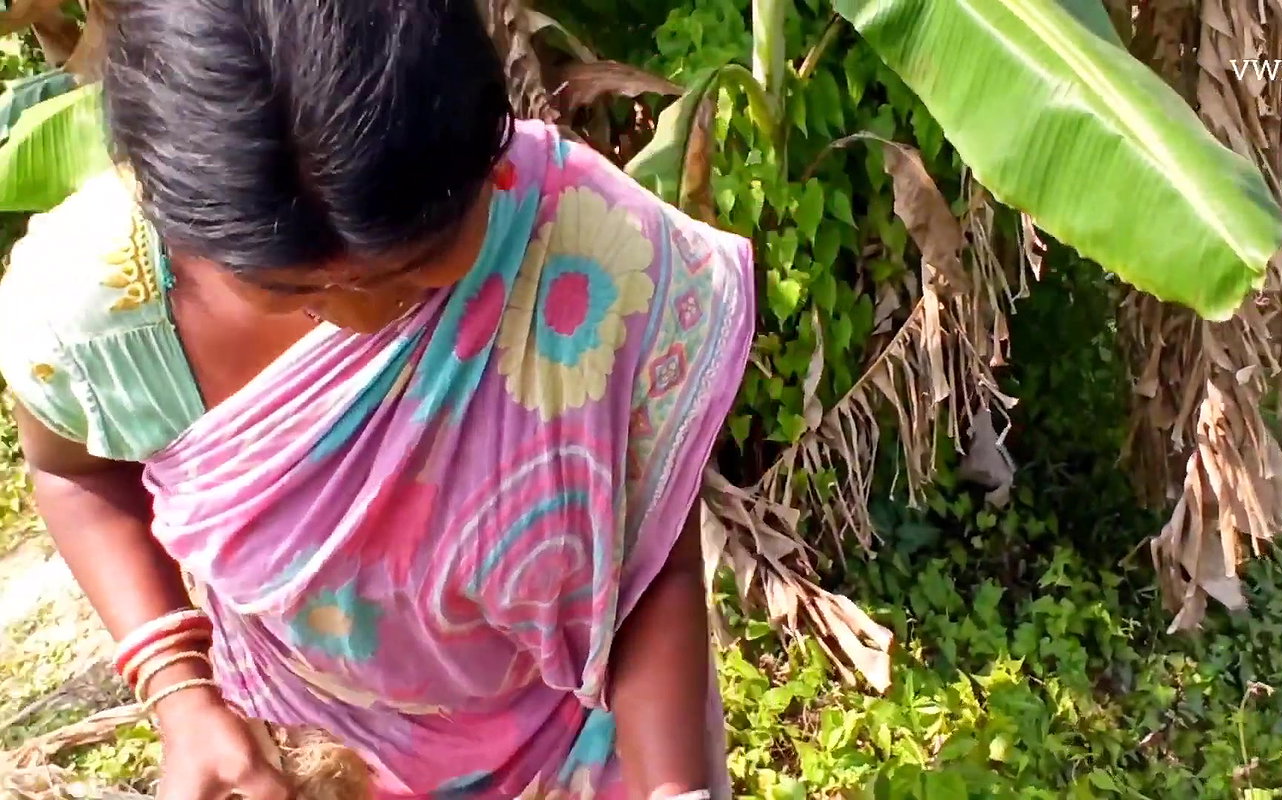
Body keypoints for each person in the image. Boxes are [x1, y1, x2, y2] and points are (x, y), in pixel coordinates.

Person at [0, 0, 754, 797]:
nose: (366, 312)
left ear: (486, 155)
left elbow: (648, 567)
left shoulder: (595, 252)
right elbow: (75, 474)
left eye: (418, 266)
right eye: (292, 288)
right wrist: (180, 689)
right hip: (318, 761)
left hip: (588, 745)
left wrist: (673, 785)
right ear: (173, 215)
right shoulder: (104, 314)